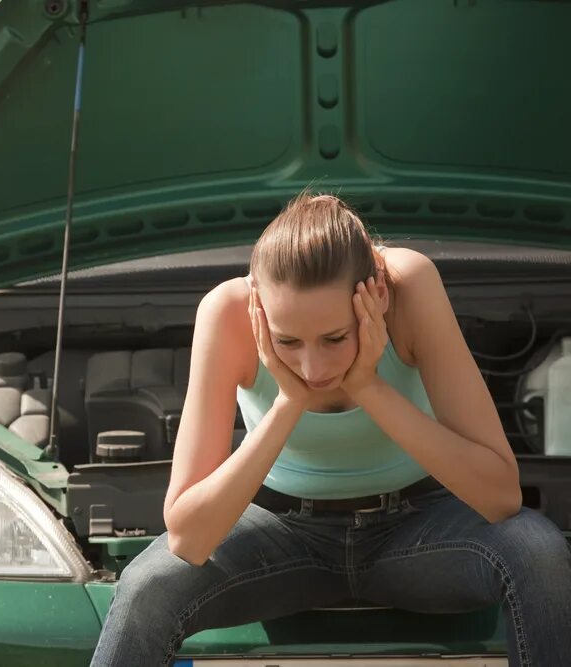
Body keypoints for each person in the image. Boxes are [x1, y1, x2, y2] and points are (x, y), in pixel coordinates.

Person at [89, 191, 571, 667]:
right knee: (145, 588)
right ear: (258, 307)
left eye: (335, 337)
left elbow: (501, 495)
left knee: (538, 551)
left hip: (420, 529)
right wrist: (286, 404)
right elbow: (188, 539)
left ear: (376, 294)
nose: (311, 366)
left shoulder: (411, 285)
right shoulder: (226, 313)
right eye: (287, 341)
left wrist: (370, 387)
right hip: (280, 533)